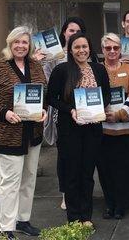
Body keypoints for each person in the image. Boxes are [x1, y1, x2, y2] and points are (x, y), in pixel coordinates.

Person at [0, 26, 48, 240]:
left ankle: (22, 220)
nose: (20, 46)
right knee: (10, 182)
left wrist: (43, 110)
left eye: (25, 42)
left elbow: (42, 94)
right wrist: (4, 113)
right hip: (8, 133)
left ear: (30, 45)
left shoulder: (36, 66)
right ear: (10, 44)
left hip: (32, 132)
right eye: (17, 42)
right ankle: (5, 228)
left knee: (28, 179)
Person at [47, 32, 111, 227]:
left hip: (93, 130)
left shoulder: (99, 69)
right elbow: (51, 98)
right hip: (70, 130)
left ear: (89, 48)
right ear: (70, 50)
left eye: (84, 47)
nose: (81, 50)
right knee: (72, 174)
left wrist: (98, 109)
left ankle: (86, 217)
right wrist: (71, 110)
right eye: (77, 47)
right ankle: (73, 218)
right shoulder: (62, 70)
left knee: (87, 174)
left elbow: (107, 95)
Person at [40, 16, 87, 211]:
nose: (74, 34)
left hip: (86, 116)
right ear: (64, 33)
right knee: (66, 157)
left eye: (77, 31)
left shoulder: (88, 56)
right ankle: (66, 194)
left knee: (83, 157)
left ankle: (82, 193)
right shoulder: (54, 59)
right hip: (63, 115)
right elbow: (48, 86)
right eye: (70, 30)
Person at [98, 33, 129, 219]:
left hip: (125, 130)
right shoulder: (96, 70)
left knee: (123, 169)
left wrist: (119, 115)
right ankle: (110, 203)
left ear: (120, 49)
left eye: (115, 47)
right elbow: (91, 94)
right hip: (102, 130)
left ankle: (122, 205)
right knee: (105, 170)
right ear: (102, 50)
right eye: (108, 48)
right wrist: (102, 114)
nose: (112, 51)